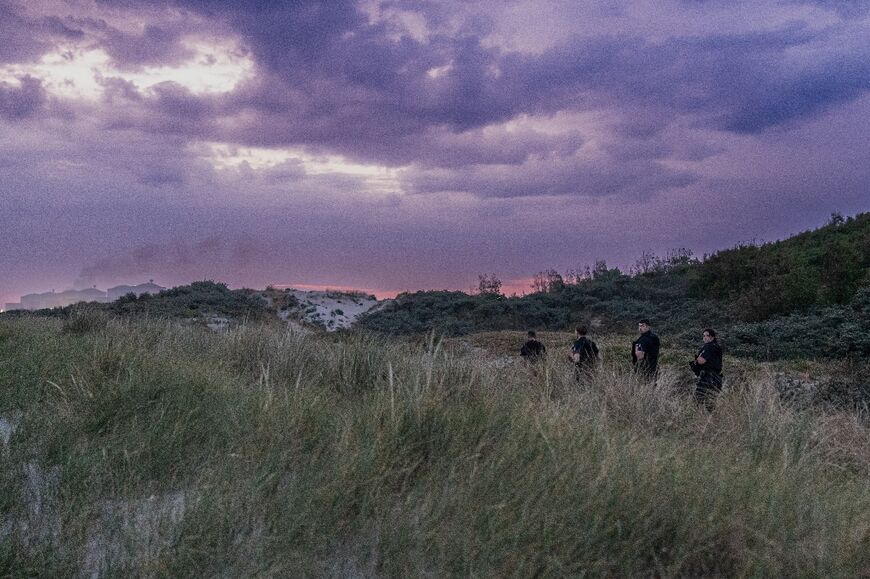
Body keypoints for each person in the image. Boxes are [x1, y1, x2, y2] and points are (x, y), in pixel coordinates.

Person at [690, 328, 723, 410]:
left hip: (708, 376)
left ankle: (696, 418)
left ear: (712, 337)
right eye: (703, 336)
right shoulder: (716, 347)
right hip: (717, 377)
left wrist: (696, 361)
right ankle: (711, 420)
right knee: (711, 401)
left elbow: (701, 361)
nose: (704, 337)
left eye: (707, 336)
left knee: (697, 399)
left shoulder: (709, 346)